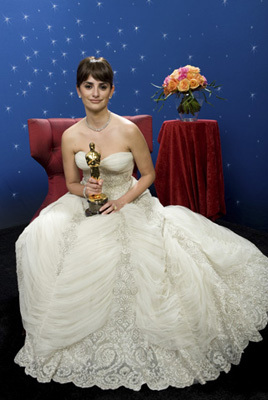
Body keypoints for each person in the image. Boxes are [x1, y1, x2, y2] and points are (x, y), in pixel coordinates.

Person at [15, 56, 268, 391]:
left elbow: (149, 174)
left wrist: (121, 200)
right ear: (78, 90)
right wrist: (87, 189)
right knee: (39, 237)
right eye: (88, 86)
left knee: (140, 258)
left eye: (102, 86)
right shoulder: (71, 136)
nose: (95, 92)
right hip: (89, 204)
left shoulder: (128, 129)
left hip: (129, 201)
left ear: (111, 90)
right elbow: (73, 183)